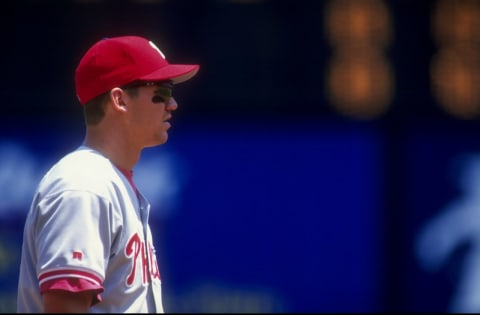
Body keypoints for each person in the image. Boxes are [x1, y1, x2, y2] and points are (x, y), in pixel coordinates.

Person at [16, 35, 200, 313]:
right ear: (119, 100)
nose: (172, 104)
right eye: (160, 93)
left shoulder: (111, 183)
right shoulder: (83, 186)